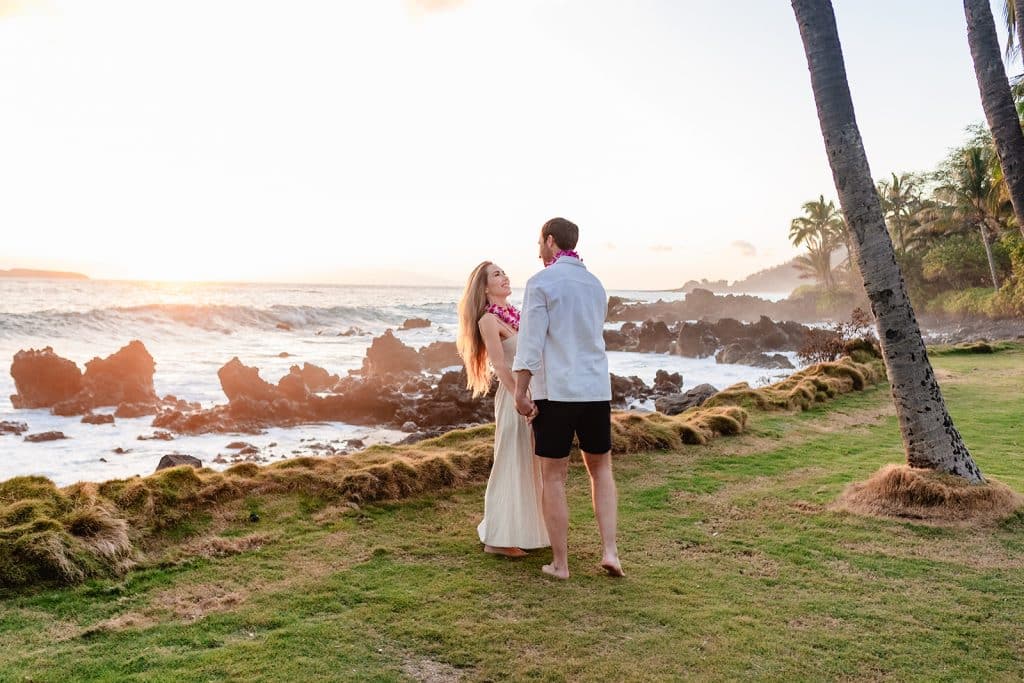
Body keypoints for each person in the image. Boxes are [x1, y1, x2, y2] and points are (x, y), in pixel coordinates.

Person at [511, 217, 623, 579]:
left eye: (539, 243)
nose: (538, 249)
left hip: (556, 392)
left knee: (554, 477)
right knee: (601, 470)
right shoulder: (595, 284)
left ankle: (560, 564)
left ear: (550, 241)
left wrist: (520, 388)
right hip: (594, 389)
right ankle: (610, 551)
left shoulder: (540, 282)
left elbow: (530, 342)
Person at [457, 261, 550, 557]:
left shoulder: (515, 317)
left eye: (504, 272)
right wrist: (519, 397)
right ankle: (496, 539)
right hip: (514, 398)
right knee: (510, 461)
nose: (505, 276)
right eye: (497, 274)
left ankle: (521, 530)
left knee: (529, 464)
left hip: (532, 393)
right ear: (484, 287)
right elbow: (498, 365)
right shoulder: (488, 320)